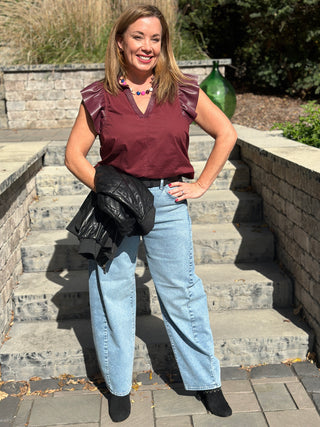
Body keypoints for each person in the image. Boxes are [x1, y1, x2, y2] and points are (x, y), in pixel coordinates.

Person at [65, 4, 237, 423]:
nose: (147, 46)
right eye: (138, 37)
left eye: (155, 39)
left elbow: (226, 133)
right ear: (121, 43)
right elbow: (74, 156)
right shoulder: (100, 95)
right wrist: (110, 190)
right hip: (114, 207)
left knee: (182, 292)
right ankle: (120, 387)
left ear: (163, 46)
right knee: (113, 294)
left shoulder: (181, 90)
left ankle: (205, 381)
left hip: (168, 202)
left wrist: (201, 185)